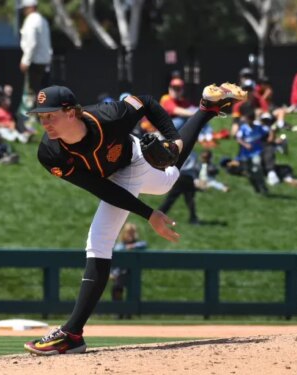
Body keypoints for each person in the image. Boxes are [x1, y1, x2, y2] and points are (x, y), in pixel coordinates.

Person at [23, 82, 246, 355]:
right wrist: (149, 214)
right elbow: (102, 188)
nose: (45, 123)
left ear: (71, 113)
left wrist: (172, 139)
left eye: (50, 115)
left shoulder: (110, 115)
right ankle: (206, 108)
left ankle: (71, 335)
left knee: (105, 236)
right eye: (41, 116)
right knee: (158, 186)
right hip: (112, 177)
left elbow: (148, 101)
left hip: (135, 160)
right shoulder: (50, 153)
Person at [110, 223, 147, 318]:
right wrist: (112, 273)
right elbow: (116, 259)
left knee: (131, 293)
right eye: (128, 233)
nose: (131, 235)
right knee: (117, 289)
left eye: (132, 233)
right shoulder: (120, 246)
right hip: (120, 274)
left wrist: (132, 246)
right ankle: (118, 312)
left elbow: (144, 244)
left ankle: (129, 313)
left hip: (132, 274)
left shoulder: (137, 244)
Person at [19, 0, 52, 98]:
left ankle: (36, 113)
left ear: (31, 7)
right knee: (44, 93)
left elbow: (31, 43)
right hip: (44, 62)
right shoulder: (43, 20)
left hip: (35, 62)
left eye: (25, 8)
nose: (24, 11)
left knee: (33, 94)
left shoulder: (31, 21)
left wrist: (25, 61)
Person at [234, 111, 271, 194]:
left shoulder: (258, 128)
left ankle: (263, 186)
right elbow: (238, 138)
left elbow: (267, 132)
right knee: (249, 173)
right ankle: (256, 187)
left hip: (256, 152)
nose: (248, 121)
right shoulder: (243, 128)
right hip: (246, 154)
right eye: (247, 119)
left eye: (250, 119)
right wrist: (245, 144)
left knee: (257, 168)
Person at [159, 153, 201, 224]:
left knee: (171, 198)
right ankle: (193, 218)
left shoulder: (181, 152)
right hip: (189, 178)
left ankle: (160, 213)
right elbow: (196, 168)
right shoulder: (194, 154)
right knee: (190, 199)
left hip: (179, 176)